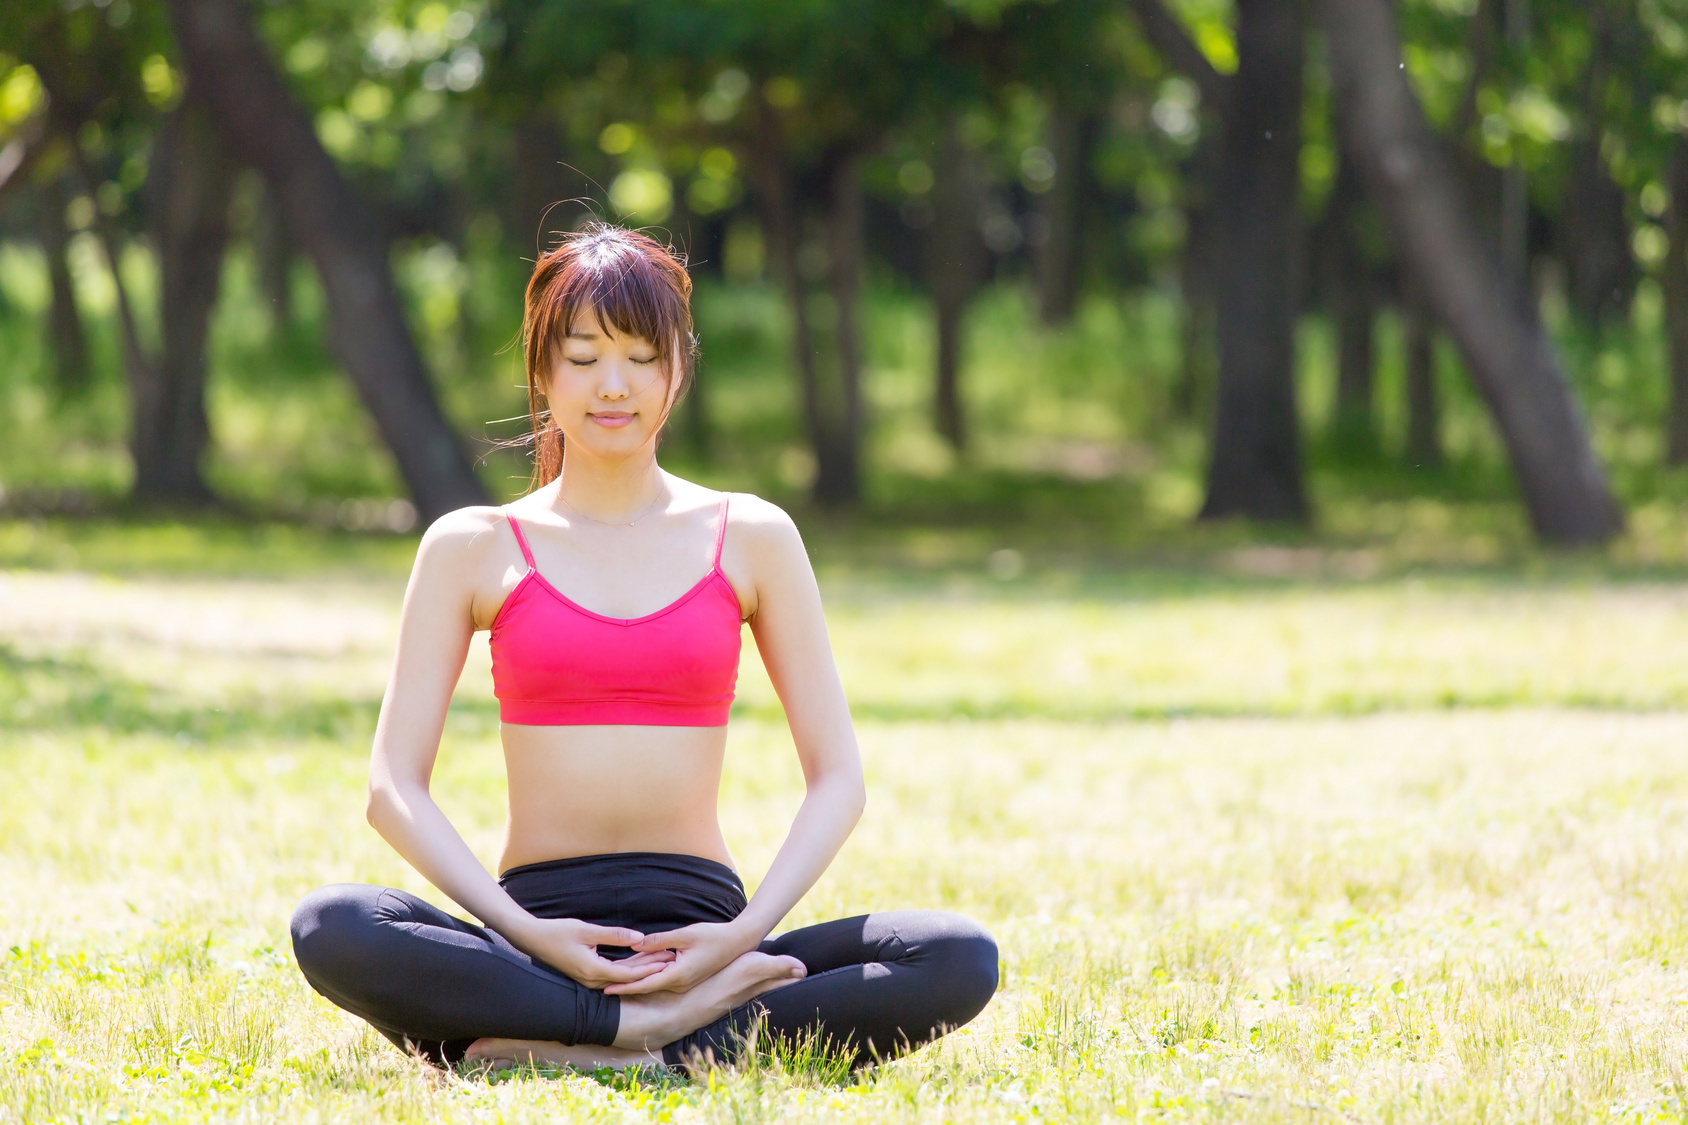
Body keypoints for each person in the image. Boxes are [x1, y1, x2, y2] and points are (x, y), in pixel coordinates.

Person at [288, 223, 998, 1074]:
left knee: (957, 953)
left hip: (707, 935)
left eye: (640, 355)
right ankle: (641, 1040)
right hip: (536, 938)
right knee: (333, 924)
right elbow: (391, 789)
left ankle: (572, 1040)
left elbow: (838, 778)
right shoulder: (472, 545)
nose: (612, 385)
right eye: (583, 358)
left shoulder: (753, 535)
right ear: (542, 371)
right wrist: (528, 936)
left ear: (678, 368)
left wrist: (737, 939)